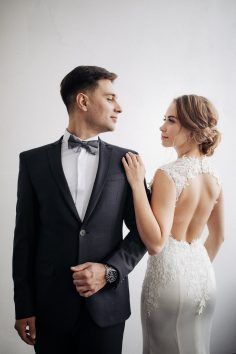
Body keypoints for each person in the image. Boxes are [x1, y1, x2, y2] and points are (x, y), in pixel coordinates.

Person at [12, 65, 148, 354]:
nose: (119, 107)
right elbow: (25, 238)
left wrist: (110, 271)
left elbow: (143, 233)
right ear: (83, 101)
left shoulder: (128, 162)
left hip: (106, 309)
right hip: (50, 310)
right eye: (110, 98)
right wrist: (23, 305)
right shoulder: (33, 162)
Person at [122, 94, 224, 354]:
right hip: (204, 279)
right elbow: (218, 237)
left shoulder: (168, 174)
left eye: (171, 120)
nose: (162, 127)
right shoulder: (214, 176)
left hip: (168, 281)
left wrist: (136, 184)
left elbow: (156, 242)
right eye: (163, 119)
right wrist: (192, 268)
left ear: (192, 128)